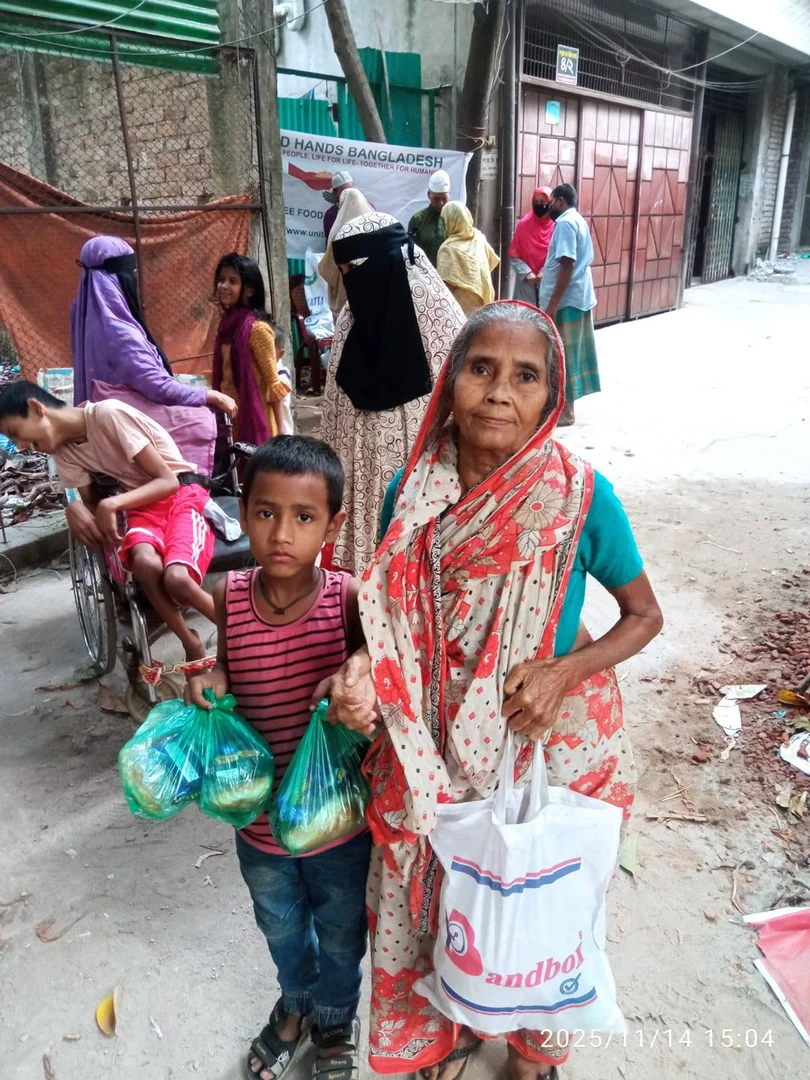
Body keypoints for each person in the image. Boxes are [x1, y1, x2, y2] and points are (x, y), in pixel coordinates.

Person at [322, 302, 664, 1079]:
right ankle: (447, 1034)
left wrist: (561, 671)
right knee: (439, 898)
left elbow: (644, 616)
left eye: (525, 376)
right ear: (450, 381)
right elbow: (386, 612)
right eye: (481, 368)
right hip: (432, 749)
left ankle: (533, 1053)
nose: (499, 392)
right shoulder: (412, 493)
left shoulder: (580, 496)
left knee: (540, 901)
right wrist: (359, 670)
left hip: (554, 740)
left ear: (552, 397)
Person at [186, 436, 370, 1080]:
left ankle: (336, 1017)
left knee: (343, 928)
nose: (281, 533)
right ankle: (295, 1005)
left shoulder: (348, 599)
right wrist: (209, 683)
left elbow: (369, 679)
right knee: (281, 924)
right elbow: (225, 671)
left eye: (304, 516)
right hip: (257, 821)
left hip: (335, 821)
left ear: (334, 524)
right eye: (265, 513)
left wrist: (356, 674)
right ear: (242, 511)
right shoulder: (228, 595)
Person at [0, 382, 218, 661]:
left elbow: (167, 482)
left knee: (176, 579)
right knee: (144, 563)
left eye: (15, 433)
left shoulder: (107, 415)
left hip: (182, 496)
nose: (19, 446)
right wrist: (74, 507)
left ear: (36, 408)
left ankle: (236, 634)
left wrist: (112, 503)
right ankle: (190, 642)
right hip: (141, 508)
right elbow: (91, 504)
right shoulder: (63, 454)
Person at [320, 211, 465, 575]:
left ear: (382, 260)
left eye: (355, 269)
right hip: (361, 474)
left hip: (417, 464)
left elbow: (460, 387)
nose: (351, 282)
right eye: (345, 273)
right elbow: (335, 409)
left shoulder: (430, 306)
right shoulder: (352, 317)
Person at [71, 236, 235, 419]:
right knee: (203, 422)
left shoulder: (84, 318)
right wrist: (210, 395)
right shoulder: (120, 331)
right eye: (131, 273)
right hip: (129, 431)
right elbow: (159, 387)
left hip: (98, 425)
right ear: (121, 278)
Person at [212, 254, 291, 445]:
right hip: (232, 416)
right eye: (221, 280)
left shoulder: (258, 330)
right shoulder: (226, 326)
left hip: (257, 421)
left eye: (232, 281)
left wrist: (281, 432)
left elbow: (274, 384)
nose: (223, 286)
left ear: (249, 290)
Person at [538, 184, 599, 427]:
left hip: (566, 301)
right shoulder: (576, 220)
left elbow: (567, 263)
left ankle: (566, 411)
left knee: (563, 354)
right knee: (567, 352)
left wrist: (553, 304)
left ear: (560, 201)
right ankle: (562, 407)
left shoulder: (564, 223)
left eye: (551, 200)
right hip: (576, 296)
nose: (548, 205)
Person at [319, 187, 375, 319]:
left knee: (345, 326)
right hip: (370, 293)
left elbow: (327, 268)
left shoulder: (338, 231)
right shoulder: (373, 228)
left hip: (344, 290)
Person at [436, 201, 500, 316]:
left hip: (459, 309)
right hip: (484, 303)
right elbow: (490, 262)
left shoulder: (447, 248)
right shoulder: (479, 238)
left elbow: (445, 286)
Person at [509, 187, 555, 305]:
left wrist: (546, 271)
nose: (539, 205)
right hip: (526, 284)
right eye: (536, 202)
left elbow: (559, 255)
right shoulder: (524, 225)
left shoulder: (557, 226)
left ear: (550, 203)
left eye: (543, 202)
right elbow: (514, 253)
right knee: (524, 319)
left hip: (549, 282)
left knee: (546, 320)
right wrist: (527, 273)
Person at [407, 169, 451, 267]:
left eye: (444, 198)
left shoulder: (456, 220)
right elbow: (410, 252)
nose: (441, 203)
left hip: (450, 277)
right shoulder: (418, 220)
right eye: (436, 198)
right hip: (425, 275)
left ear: (449, 194)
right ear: (428, 195)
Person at [322, 170, 355, 241]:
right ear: (335, 193)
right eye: (344, 191)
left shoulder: (369, 207)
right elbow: (331, 243)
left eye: (351, 190)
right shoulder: (330, 215)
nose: (348, 194)